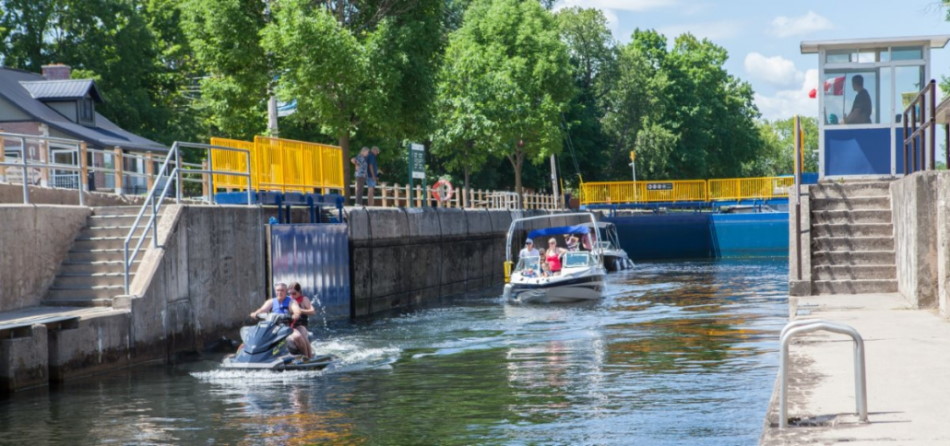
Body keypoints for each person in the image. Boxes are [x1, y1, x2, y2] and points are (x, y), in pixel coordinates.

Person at [249, 282, 308, 356]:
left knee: (297, 336)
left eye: (282, 290)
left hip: (287, 328)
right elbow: (262, 310)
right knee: (255, 339)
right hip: (272, 329)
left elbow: (296, 310)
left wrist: (295, 314)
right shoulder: (271, 301)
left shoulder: (291, 301)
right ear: (275, 291)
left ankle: (306, 357)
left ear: (286, 291)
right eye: (278, 290)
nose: (279, 292)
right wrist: (255, 313)